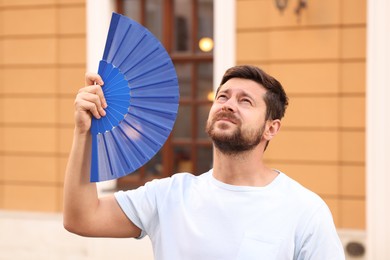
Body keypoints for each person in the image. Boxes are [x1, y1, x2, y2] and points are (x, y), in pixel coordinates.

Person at [63, 65, 345, 259]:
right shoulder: (170, 196)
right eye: (223, 96)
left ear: (271, 128)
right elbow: (82, 218)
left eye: (245, 101)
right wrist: (84, 133)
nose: (228, 104)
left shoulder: (304, 210)